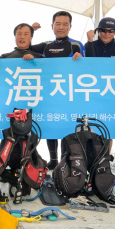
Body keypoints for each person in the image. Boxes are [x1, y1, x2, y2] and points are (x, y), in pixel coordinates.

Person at [31, 11, 84, 169]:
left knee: (66, 125)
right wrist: (31, 30)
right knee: (51, 124)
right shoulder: (46, 45)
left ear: (70, 26)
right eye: (58, 24)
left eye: (65, 24)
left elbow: (86, 65)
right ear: (52, 25)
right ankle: (53, 159)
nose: (61, 27)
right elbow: (24, 47)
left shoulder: (76, 45)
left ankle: (64, 158)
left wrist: (81, 59)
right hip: (49, 92)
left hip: (68, 93)